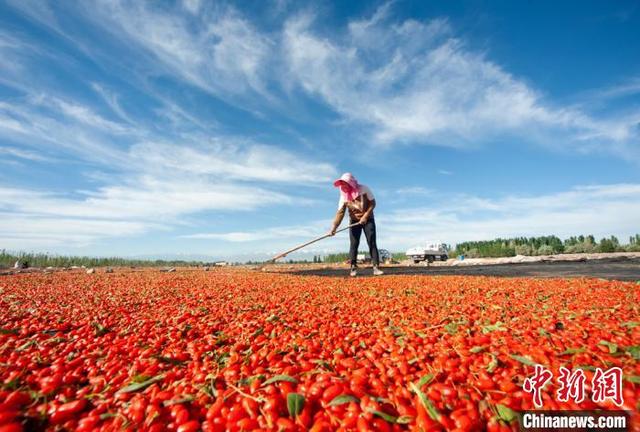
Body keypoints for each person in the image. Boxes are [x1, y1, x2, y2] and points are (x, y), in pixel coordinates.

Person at [329, 173, 383, 277]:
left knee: (371, 241)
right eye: (341, 184)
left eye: (345, 184)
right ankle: (353, 267)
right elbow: (340, 213)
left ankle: (376, 267)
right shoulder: (343, 197)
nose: (343, 186)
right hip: (354, 221)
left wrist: (365, 216)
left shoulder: (364, 189)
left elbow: (373, 203)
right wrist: (334, 227)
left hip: (368, 219)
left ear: (351, 183)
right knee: (354, 243)